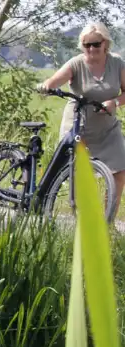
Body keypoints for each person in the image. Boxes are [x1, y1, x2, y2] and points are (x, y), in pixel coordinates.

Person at [37, 21, 125, 218]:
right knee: (82, 175)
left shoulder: (117, 63)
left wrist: (115, 103)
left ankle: (107, 222)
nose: (91, 49)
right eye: (87, 45)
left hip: (107, 129)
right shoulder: (76, 63)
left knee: (119, 173)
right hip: (79, 126)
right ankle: (85, 221)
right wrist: (47, 86)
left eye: (95, 44)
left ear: (105, 43)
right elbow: (55, 80)